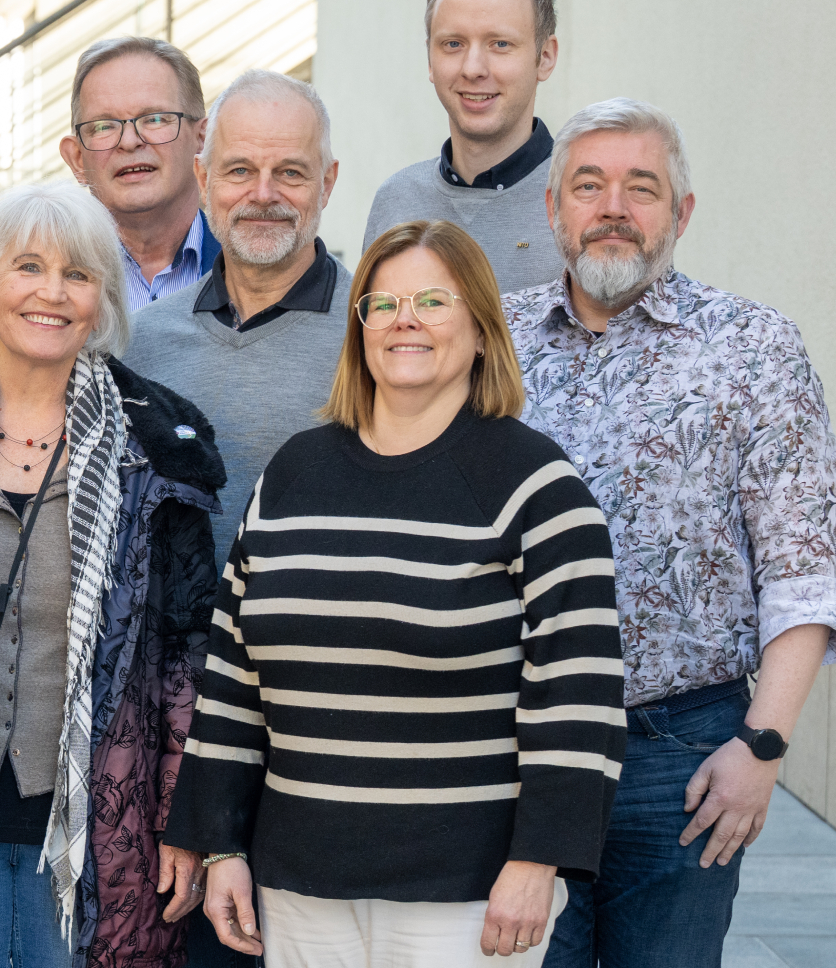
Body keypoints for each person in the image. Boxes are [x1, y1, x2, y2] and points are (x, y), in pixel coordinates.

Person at [168, 219, 627, 967]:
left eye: (433, 302)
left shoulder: (537, 484)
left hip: (467, 894)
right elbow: (232, 679)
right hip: (300, 882)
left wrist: (539, 861)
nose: (404, 320)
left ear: (482, 330)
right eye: (382, 305)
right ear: (360, 331)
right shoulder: (294, 473)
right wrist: (218, 841)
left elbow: (578, 696)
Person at [509, 99, 836, 968]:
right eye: (588, 184)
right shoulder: (494, 343)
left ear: (682, 213)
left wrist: (762, 747)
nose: (613, 206)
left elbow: (804, 570)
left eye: (642, 187)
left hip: (685, 760)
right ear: (554, 208)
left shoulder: (755, 348)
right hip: (517, 747)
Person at [0, 182, 225, 968]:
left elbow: (184, 658)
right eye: (29, 267)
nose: (52, 293)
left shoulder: (153, 446)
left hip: (98, 827)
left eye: (78, 274)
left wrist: (187, 823)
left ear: (103, 300)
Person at [121, 69, 349, 562]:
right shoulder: (141, 343)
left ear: (327, 182)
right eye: (240, 170)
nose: (263, 194)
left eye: (290, 172)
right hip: (176, 639)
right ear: (204, 179)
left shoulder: (374, 334)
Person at [362, 0, 564, 292]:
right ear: (430, 60)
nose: (473, 69)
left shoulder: (584, 201)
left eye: (500, 44)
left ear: (544, 57)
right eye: (453, 43)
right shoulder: (396, 201)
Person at [58, 37, 222, 309]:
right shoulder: (39, 291)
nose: (129, 141)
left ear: (202, 139)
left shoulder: (256, 268)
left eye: (155, 119)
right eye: (103, 126)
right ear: (77, 159)